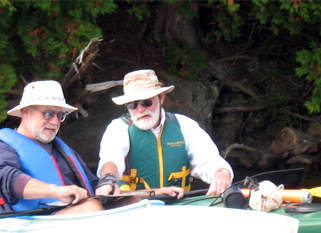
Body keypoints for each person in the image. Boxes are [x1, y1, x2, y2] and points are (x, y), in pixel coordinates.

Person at [0, 80, 117, 215]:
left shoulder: (62, 150)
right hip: (28, 222)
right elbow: (4, 179)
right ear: (26, 112)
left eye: (60, 115)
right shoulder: (2, 149)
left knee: (129, 200)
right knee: (92, 208)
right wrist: (55, 191)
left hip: (71, 215)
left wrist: (105, 184)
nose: (55, 121)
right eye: (48, 114)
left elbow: (91, 182)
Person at [96, 69, 233, 198]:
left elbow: (208, 160)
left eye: (146, 101)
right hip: (134, 207)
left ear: (161, 98)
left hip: (179, 205)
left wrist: (221, 172)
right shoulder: (118, 128)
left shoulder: (184, 125)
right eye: (132, 104)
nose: (140, 109)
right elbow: (111, 160)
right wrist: (107, 179)